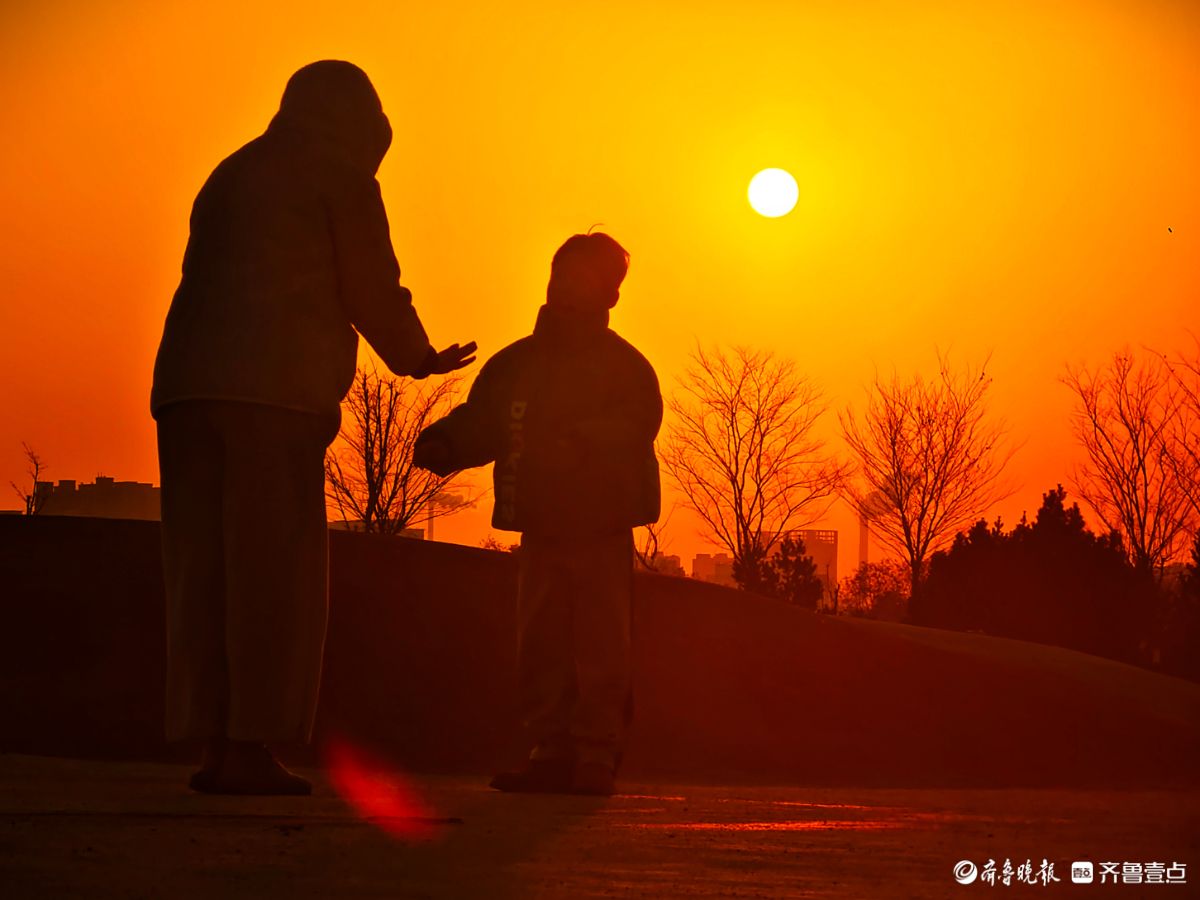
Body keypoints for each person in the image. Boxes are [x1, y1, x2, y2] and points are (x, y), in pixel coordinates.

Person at [150, 60, 476, 795]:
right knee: (272, 576)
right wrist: (416, 355)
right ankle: (249, 745)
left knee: (201, 575)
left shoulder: (231, 171)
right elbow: (369, 280)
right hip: (274, 393)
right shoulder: (338, 174)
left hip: (186, 390)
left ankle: (213, 742)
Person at [413, 232, 661, 796]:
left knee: (601, 644)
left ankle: (596, 752)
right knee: (542, 642)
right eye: (561, 277)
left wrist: (584, 441)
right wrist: (447, 443)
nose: (567, 290)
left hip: (600, 525)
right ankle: (550, 749)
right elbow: (484, 420)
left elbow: (637, 425)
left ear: (611, 296)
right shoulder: (516, 365)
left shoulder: (625, 368)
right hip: (542, 523)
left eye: (583, 281)